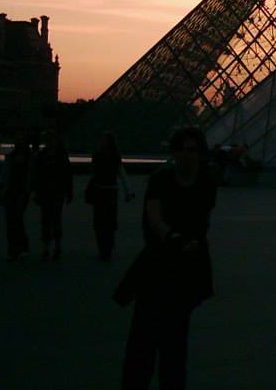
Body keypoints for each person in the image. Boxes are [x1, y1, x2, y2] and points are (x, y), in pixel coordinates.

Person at [117, 127, 217, 390]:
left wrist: (191, 241)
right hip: (158, 265)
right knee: (143, 341)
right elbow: (153, 215)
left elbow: (202, 220)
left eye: (193, 149)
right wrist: (171, 236)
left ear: (200, 153)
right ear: (174, 151)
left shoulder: (205, 183)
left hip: (185, 270)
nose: (188, 154)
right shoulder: (161, 180)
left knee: (175, 342)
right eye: (183, 148)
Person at [88, 132, 134, 261]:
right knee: (109, 222)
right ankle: (107, 248)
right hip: (111, 192)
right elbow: (122, 173)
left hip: (100, 191)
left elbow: (93, 173)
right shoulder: (114, 156)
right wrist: (128, 191)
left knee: (100, 222)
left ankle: (103, 248)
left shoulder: (97, 155)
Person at [31, 130, 73, 261]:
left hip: (53, 192)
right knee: (50, 220)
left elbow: (67, 175)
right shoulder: (58, 155)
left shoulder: (43, 156)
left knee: (51, 220)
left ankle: (51, 248)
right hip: (50, 192)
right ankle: (52, 248)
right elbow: (67, 175)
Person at [0, 134, 33, 260]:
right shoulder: (12, 157)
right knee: (12, 220)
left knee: (15, 219)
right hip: (12, 192)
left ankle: (17, 247)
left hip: (21, 192)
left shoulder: (28, 158)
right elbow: (5, 175)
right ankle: (16, 247)